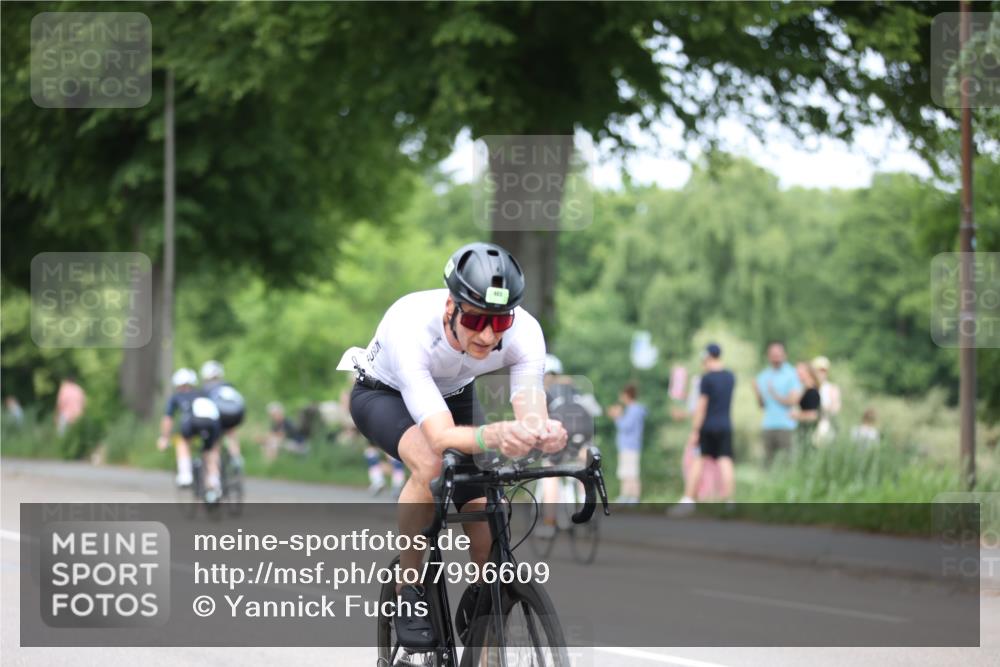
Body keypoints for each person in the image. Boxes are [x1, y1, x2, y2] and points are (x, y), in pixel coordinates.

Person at [347, 241, 567, 649]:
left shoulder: (525, 330)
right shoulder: (410, 327)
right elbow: (442, 437)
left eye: (499, 323)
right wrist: (494, 435)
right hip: (384, 394)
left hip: (454, 394)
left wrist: (541, 430)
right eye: (476, 319)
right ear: (451, 306)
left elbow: (528, 404)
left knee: (483, 502)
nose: (486, 334)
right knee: (432, 462)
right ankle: (409, 591)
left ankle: (487, 610)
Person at [678, 343, 735, 506]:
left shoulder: (707, 378)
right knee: (726, 461)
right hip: (725, 424)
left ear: (708, 357)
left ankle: (688, 499)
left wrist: (695, 430)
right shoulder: (730, 377)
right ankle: (729, 500)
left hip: (708, 425)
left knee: (698, 460)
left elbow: (702, 407)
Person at [157, 368, 223, 500]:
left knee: (183, 441)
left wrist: (164, 438)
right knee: (211, 449)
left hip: (192, 423)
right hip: (212, 422)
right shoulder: (202, 393)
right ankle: (214, 481)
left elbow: (168, 419)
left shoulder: (176, 396)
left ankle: (185, 474)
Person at [753, 341, 802, 466]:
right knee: (768, 464)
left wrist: (774, 394)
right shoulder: (763, 376)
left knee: (788, 463)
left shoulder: (792, 374)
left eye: (778, 354)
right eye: (773, 354)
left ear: (784, 355)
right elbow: (762, 405)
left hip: (786, 425)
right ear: (768, 355)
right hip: (768, 425)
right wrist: (757, 392)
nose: (776, 357)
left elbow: (793, 401)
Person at [200, 360, 245, 470]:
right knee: (231, 432)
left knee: (215, 440)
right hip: (237, 413)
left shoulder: (206, 388)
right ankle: (236, 456)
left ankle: (215, 466)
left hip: (218, 414)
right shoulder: (228, 385)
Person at [607, 384, 646, 504]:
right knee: (625, 472)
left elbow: (625, 426)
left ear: (627, 395)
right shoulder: (633, 409)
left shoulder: (634, 410)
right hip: (627, 446)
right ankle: (626, 496)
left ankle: (633, 497)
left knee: (631, 473)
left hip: (630, 446)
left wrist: (616, 417)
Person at [812, 356, 842, 444]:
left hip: (825, 422)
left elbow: (835, 408)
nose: (821, 374)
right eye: (818, 371)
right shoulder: (808, 387)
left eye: (823, 371)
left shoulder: (832, 388)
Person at [792, 361, 822, 448]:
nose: (797, 374)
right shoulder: (806, 389)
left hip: (809, 435)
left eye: (800, 372)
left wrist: (796, 415)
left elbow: (813, 415)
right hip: (804, 433)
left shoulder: (812, 392)